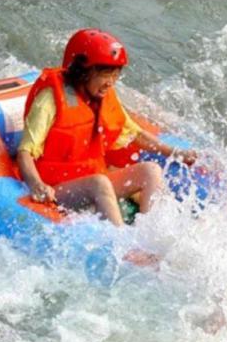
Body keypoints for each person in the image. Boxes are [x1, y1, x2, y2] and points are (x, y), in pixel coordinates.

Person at [17, 28, 197, 226]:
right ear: (82, 72)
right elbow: (25, 152)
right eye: (105, 75)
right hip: (59, 188)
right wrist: (37, 185)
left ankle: (156, 235)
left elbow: (134, 133)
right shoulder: (49, 100)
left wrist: (174, 152)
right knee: (99, 183)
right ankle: (125, 248)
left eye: (115, 75)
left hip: (93, 178)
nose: (110, 82)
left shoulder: (103, 96)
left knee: (150, 170)